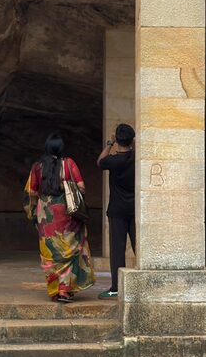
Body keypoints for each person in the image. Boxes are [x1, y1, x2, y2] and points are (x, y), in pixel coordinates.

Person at [24, 132, 95, 302]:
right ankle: (65, 289)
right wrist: (64, 184)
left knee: (51, 251)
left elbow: (31, 192)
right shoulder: (69, 163)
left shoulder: (37, 167)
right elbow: (81, 187)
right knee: (70, 248)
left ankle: (56, 289)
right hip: (66, 213)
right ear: (61, 148)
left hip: (45, 215)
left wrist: (33, 211)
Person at [96, 122, 136, 299]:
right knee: (139, 247)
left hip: (117, 211)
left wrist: (109, 144)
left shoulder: (113, 161)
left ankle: (116, 287)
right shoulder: (136, 158)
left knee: (117, 250)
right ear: (132, 140)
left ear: (118, 140)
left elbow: (99, 161)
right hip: (135, 210)